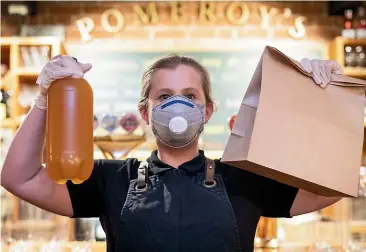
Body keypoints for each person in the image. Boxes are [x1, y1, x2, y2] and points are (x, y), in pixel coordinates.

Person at [0, 54, 345, 252]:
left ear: (208, 111)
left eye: (190, 96)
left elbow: (329, 188)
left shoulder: (245, 178)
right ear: (146, 113)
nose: (177, 105)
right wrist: (44, 101)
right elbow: (19, 177)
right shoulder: (110, 179)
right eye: (164, 97)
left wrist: (321, 100)